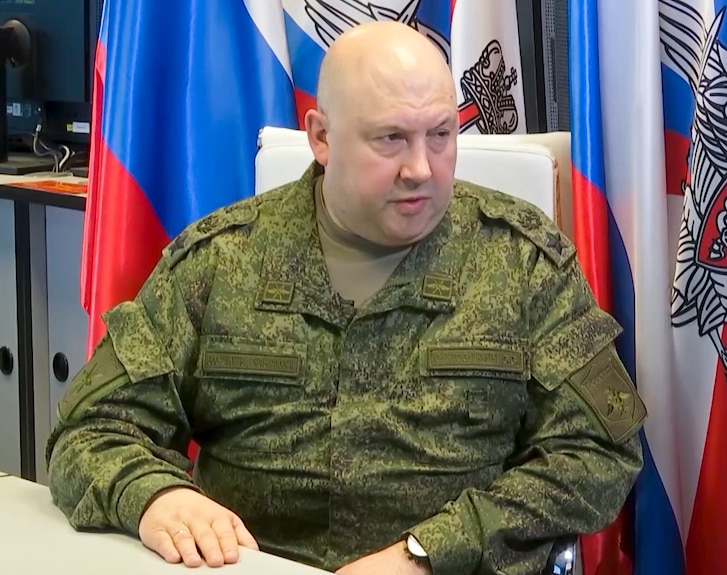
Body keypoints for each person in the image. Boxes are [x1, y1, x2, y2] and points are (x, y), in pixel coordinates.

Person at [46, 21, 646, 575]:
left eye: (440, 135)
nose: (421, 168)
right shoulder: (219, 262)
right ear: (322, 137)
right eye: (391, 139)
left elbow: (597, 451)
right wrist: (157, 495)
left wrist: (432, 550)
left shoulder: (523, 264)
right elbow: (90, 432)